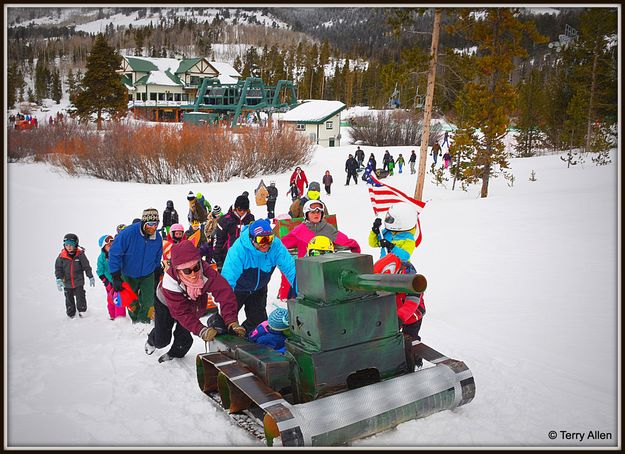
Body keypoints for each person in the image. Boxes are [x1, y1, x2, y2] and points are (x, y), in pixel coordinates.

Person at [146, 240, 244, 363]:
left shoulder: (206, 271)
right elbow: (180, 312)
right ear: (177, 270)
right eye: (187, 271)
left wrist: (231, 320)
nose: (193, 274)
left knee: (184, 338)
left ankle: (175, 353)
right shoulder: (169, 281)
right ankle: (152, 340)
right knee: (162, 339)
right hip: (165, 303)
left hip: (192, 302)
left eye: (196, 267)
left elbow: (224, 293)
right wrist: (200, 329)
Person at [221, 219, 296, 333]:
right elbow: (227, 279)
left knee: (258, 323)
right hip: (238, 289)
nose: (266, 244)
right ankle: (218, 326)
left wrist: (303, 292)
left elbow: (291, 270)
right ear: (252, 239)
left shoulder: (275, 246)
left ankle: (246, 337)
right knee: (226, 321)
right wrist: (228, 313)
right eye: (261, 240)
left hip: (259, 288)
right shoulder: (239, 249)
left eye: (269, 238)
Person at [279, 200, 360, 299]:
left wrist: (355, 248)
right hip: (306, 271)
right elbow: (281, 244)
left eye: (318, 212)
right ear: (306, 214)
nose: (316, 214)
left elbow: (345, 241)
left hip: (326, 271)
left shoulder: (329, 229)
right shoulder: (300, 230)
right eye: (312, 212)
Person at [109, 208, 163, 324]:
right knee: (131, 301)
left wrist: (157, 268)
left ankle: (144, 321)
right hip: (128, 273)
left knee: (149, 301)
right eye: (150, 224)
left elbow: (158, 253)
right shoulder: (128, 233)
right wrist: (116, 276)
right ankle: (135, 319)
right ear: (144, 223)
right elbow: (114, 253)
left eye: (156, 224)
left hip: (148, 274)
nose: (154, 227)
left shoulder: (157, 237)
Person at [373, 253, 426, 369]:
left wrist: (399, 318)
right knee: (394, 339)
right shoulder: (387, 281)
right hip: (395, 314)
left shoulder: (413, 282)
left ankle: (415, 362)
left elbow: (412, 303)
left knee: (411, 340)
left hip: (413, 316)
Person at [55, 233, 95, 319]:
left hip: (78, 281)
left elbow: (86, 266)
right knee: (69, 298)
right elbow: (58, 268)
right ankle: (71, 312)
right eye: (67, 245)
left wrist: (90, 276)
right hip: (67, 282)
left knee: (80, 296)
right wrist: (59, 279)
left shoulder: (80, 255)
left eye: (71, 245)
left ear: (76, 245)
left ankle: (82, 310)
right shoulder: (62, 256)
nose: (69, 247)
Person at [213, 193, 255, 270]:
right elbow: (218, 240)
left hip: (246, 258)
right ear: (235, 208)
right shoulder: (225, 220)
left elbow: (253, 238)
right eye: (240, 209)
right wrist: (218, 260)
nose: (242, 212)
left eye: (245, 209)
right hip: (228, 257)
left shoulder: (250, 219)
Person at [96, 234, 126, 320]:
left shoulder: (117, 254)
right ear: (103, 247)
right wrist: (106, 282)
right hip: (109, 282)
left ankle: (120, 317)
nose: (111, 247)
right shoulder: (101, 258)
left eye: (112, 245)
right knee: (111, 299)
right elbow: (99, 271)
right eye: (109, 246)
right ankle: (113, 316)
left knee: (119, 299)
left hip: (119, 281)